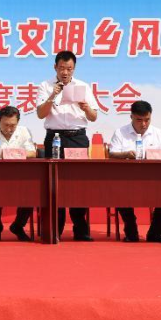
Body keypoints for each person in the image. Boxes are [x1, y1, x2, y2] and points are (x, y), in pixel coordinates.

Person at [36, 50, 98, 242]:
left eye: (69, 69)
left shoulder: (83, 86)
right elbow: (40, 114)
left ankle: (81, 229)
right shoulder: (45, 86)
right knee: (54, 184)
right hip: (54, 138)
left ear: (74, 68)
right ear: (55, 67)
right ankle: (55, 229)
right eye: (62, 68)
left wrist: (86, 107)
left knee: (79, 183)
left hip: (77, 138)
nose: (65, 72)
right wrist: (52, 96)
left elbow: (93, 117)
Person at [108, 100, 161, 243]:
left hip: (154, 180)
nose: (143, 124)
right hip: (126, 180)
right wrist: (125, 154)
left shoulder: (158, 133)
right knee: (119, 192)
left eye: (147, 120)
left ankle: (155, 232)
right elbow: (111, 154)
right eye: (139, 120)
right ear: (131, 117)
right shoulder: (120, 132)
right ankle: (131, 230)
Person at [0, 105, 36, 241]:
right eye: (6, 125)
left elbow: (32, 152)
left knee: (32, 194)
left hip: (20, 176)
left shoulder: (24, 131)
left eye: (12, 125)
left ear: (18, 122)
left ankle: (18, 226)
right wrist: (5, 154)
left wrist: (11, 154)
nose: (9, 129)